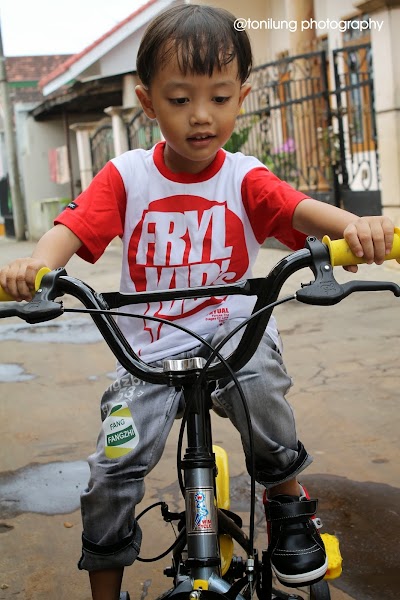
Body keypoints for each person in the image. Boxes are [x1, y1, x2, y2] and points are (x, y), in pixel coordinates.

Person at [0, 4, 395, 599]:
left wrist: (357, 228)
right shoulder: (127, 176)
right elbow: (71, 230)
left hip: (234, 336)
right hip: (148, 352)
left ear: (242, 97)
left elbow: (300, 210)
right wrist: (35, 266)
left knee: (263, 392)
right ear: (147, 102)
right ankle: (104, 589)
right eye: (180, 99)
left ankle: (287, 504)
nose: (202, 115)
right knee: (111, 469)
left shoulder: (244, 177)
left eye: (219, 97)